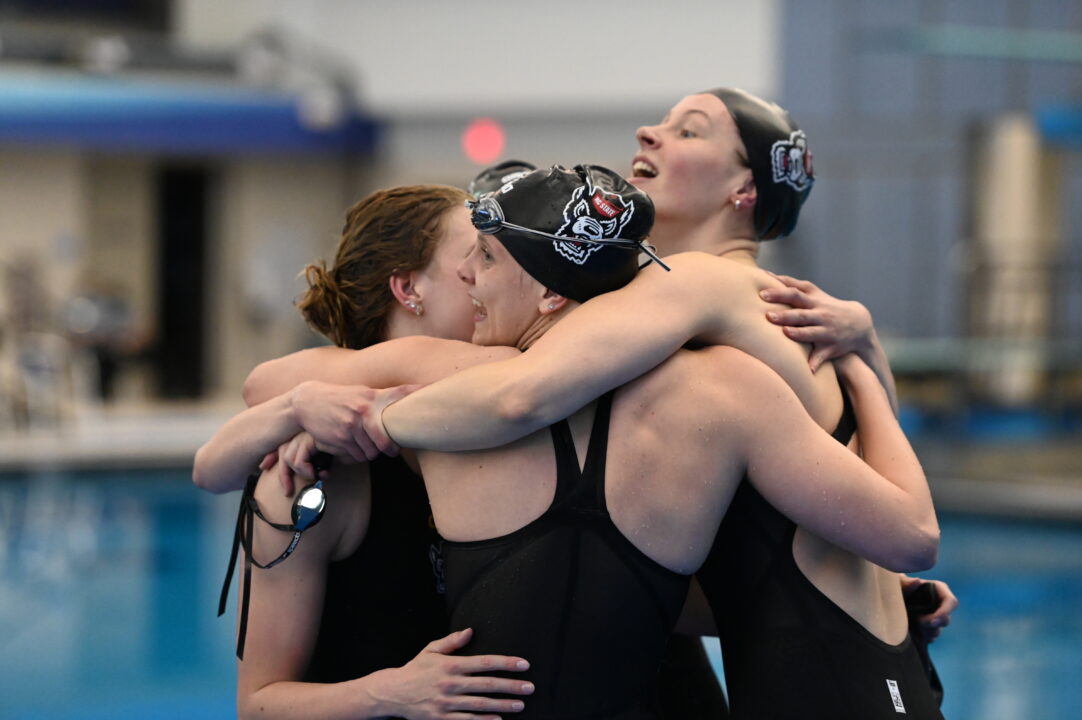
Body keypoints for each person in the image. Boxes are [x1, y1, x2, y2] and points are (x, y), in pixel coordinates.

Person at [213, 164, 938, 719]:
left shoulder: (460, 397)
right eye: (470, 256)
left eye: (489, 257)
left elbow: (607, 578)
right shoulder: (329, 452)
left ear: (551, 290)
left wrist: (369, 418)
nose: (471, 274)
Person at [193, 184, 535, 720]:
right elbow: (258, 703)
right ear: (407, 288)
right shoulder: (317, 472)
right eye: (471, 254)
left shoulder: (486, 431)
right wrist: (392, 693)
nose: (482, 273)